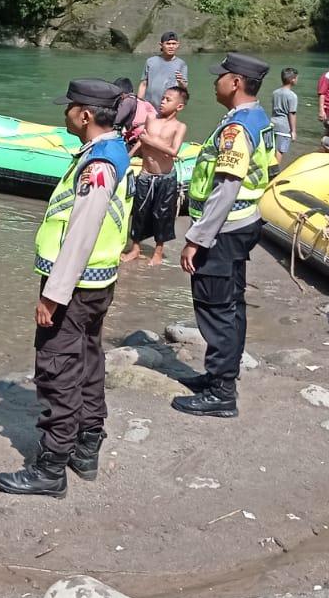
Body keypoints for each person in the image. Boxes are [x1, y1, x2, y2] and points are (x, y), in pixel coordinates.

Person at [0, 79, 135, 498]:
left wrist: (53, 294)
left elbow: (82, 231)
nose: (65, 114)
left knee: (58, 369)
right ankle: (86, 445)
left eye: (69, 107)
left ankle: (51, 467)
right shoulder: (109, 151)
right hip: (96, 282)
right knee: (89, 360)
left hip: (73, 286)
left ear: (86, 115)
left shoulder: (99, 164)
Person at [174, 53, 276, 419]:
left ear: (235, 82)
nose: (214, 82)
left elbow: (227, 185)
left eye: (221, 77)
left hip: (223, 230)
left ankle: (221, 392)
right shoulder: (257, 118)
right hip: (242, 224)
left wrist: (197, 237)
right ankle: (220, 376)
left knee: (216, 309)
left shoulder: (237, 129)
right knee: (231, 306)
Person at [123, 86, 189, 265]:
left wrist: (151, 141)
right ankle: (135, 248)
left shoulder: (179, 127)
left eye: (168, 100)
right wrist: (127, 157)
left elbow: (174, 151)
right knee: (139, 211)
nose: (162, 102)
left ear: (179, 107)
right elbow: (141, 141)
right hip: (146, 174)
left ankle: (158, 252)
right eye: (162, 98)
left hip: (165, 176)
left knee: (162, 214)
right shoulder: (151, 118)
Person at [138, 31, 189, 100]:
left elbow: (184, 89)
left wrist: (181, 82)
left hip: (169, 105)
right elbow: (144, 84)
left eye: (174, 44)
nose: (171, 46)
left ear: (178, 45)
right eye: (168, 44)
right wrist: (139, 102)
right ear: (161, 45)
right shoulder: (151, 61)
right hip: (149, 105)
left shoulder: (181, 64)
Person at [271, 68, 300, 167]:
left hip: (272, 123)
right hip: (284, 126)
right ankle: (274, 173)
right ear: (292, 79)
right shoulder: (292, 96)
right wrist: (293, 131)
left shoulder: (275, 92)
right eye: (296, 78)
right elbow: (291, 113)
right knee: (280, 151)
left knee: (271, 150)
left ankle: (268, 169)